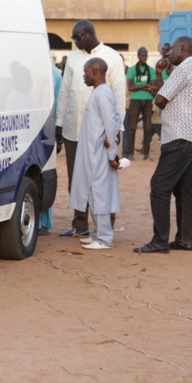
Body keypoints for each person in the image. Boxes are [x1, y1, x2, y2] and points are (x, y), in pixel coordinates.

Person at [134, 36, 192, 254]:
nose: (168, 54)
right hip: (190, 135)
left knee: (159, 186)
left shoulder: (184, 68)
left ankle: (160, 241)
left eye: (171, 50)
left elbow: (160, 99)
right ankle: (185, 239)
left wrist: (159, 78)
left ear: (183, 49)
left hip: (179, 135)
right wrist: (158, 74)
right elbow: (168, 93)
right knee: (182, 189)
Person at [56, 19, 126, 238]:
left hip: (100, 133)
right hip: (73, 129)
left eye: (77, 38)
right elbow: (65, 92)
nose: (74, 42)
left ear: (88, 34)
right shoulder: (73, 59)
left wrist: (116, 130)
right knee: (76, 180)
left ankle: (105, 228)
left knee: (102, 179)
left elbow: (120, 95)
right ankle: (80, 225)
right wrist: (59, 124)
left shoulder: (112, 57)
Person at [69, 58, 122, 250]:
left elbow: (111, 124)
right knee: (92, 193)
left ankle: (105, 239)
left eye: (85, 72)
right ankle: (97, 234)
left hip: (99, 154)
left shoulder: (103, 94)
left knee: (100, 194)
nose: (83, 76)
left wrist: (112, 155)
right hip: (91, 153)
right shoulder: (98, 93)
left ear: (95, 72)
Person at [38, 61, 63, 235]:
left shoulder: (53, 73)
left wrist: (57, 133)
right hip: (39, 129)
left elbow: (59, 104)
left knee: (42, 174)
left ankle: (43, 221)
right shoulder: (53, 72)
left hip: (46, 129)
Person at [124, 47, 155, 161]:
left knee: (147, 128)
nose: (144, 57)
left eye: (146, 55)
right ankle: (130, 153)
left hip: (147, 101)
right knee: (132, 128)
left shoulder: (151, 70)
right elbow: (130, 87)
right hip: (135, 101)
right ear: (138, 56)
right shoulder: (131, 70)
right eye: (142, 55)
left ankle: (146, 153)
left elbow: (154, 87)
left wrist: (143, 87)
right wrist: (146, 86)